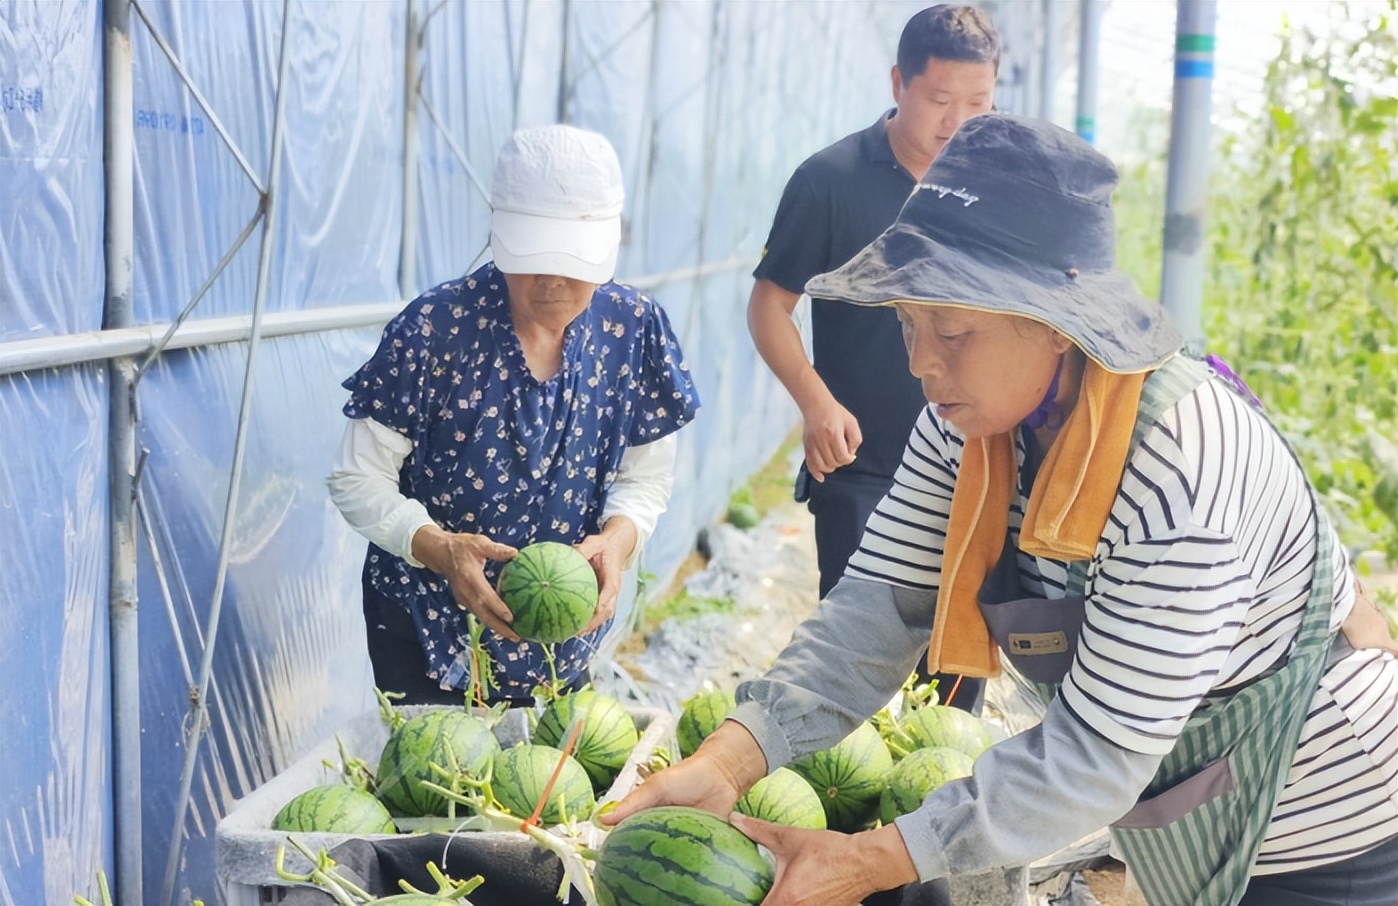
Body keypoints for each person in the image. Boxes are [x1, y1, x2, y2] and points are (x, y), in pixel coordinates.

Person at [605, 114, 1398, 906]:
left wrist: (872, 860)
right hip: (1185, 805)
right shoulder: (967, 432)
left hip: (1332, 822)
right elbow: (876, 610)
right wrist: (729, 759)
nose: (921, 363)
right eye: (908, 325)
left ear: (1060, 329)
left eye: (952, 330)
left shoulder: (1180, 467)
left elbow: (1092, 756)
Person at [327, 124, 700, 707]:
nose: (551, 280)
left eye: (571, 263)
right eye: (534, 260)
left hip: (565, 641)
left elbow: (646, 476)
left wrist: (617, 541)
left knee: (542, 791)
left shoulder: (633, 329)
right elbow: (356, 478)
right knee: (440, 789)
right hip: (423, 631)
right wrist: (439, 548)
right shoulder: (433, 330)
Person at [747, 4, 998, 711]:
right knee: (858, 675)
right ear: (898, 83)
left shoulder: (996, 194)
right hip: (863, 468)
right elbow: (769, 306)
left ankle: (934, 820)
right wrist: (816, 402)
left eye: (978, 104)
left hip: (972, 467)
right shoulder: (831, 180)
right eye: (941, 100)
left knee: (953, 685)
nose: (958, 122)